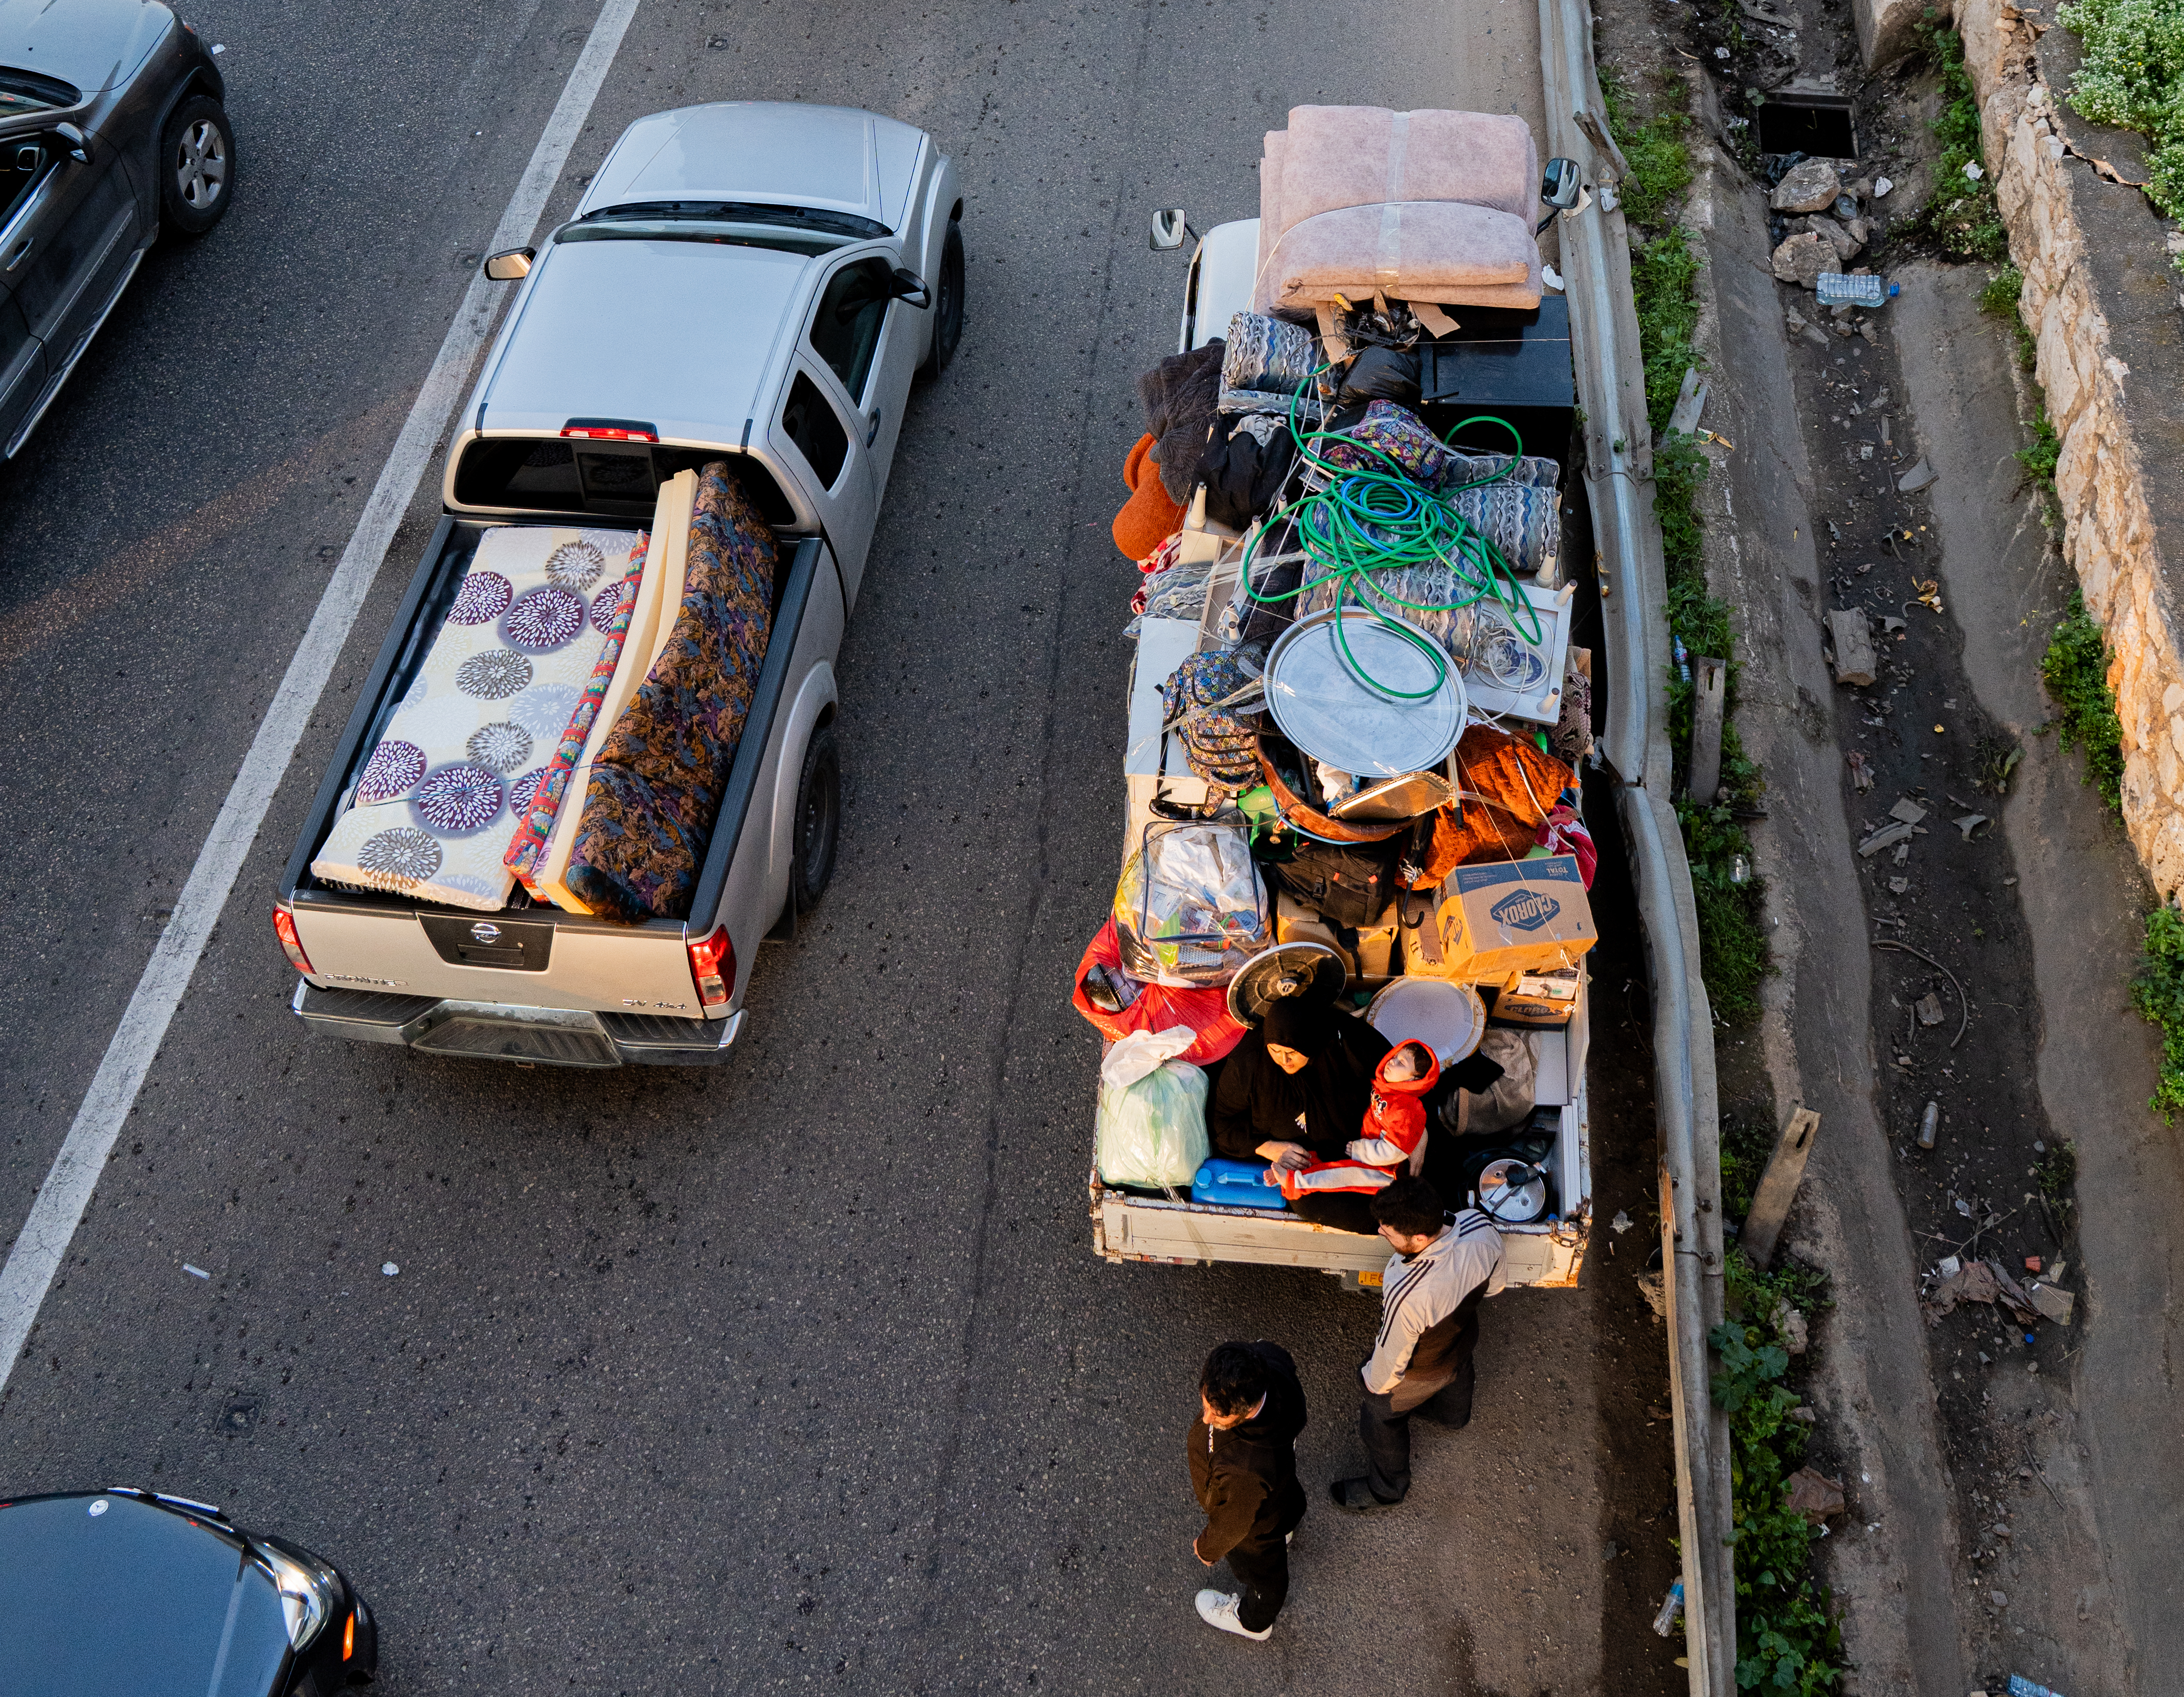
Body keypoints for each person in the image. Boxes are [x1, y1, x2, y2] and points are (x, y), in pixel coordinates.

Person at [1330, 1176, 1503, 1511]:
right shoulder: (1479, 1226)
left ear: (1420, 1238)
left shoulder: (1407, 1291)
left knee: (1380, 1414)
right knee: (1458, 1371)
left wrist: (1373, 1386)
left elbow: (1392, 1358)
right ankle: (1452, 1418)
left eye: (1388, 1231)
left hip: (1423, 1370)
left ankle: (1386, 1490)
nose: (1381, 1232)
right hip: (1463, 1338)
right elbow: (1495, 1286)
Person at [1207, 997, 1392, 1234]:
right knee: (1304, 1202)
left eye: (1292, 1052)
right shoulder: (1247, 1065)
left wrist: (1419, 1133)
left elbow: (1401, 1078)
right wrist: (1268, 1147)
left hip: (1364, 1148)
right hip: (1308, 1169)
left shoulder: (1345, 1039)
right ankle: (1390, 1227)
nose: (1284, 1061)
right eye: (1275, 1051)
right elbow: (1220, 1122)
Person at [1188, 1340, 1308, 1641]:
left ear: (1248, 1409)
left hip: (1256, 1530)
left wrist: (1207, 1548)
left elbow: (1234, 1523)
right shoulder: (1267, 1359)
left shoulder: (1246, 1468)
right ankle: (1286, 1529)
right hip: (1279, 1493)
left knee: (1263, 1575)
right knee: (1285, 1502)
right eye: (1206, 1403)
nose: (1206, 1419)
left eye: (1218, 1416)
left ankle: (1254, 1622)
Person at [1265, 1039, 1439, 1202]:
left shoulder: (1408, 1110)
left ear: (1414, 1079)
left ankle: (1294, 1183)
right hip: (1365, 1147)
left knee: (1339, 1175)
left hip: (1385, 1170)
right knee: (1328, 1158)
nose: (1392, 1062)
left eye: (1401, 1063)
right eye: (1394, 1057)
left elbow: (1394, 1151)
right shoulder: (1386, 1087)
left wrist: (1361, 1151)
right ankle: (1290, 1171)